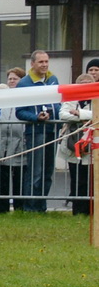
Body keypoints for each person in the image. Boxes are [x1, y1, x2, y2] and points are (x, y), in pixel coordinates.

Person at [14, 49, 59, 213]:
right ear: (32, 64)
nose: (45, 65)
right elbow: (20, 111)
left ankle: (42, 206)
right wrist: (35, 117)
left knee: (48, 171)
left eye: (46, 61)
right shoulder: (24, 83)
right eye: (41, 62)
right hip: (36, 132)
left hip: (52, 131)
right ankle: (30, 207)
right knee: (36, 172)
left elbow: (58, 103)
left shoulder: (53, 79)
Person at [60, 63, 95, 215]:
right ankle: (77, 211)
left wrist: (79, 114)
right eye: (82, 85)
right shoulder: (71, 98)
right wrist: (80, 116)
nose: (85, 87)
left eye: (88, 85)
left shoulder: (96, 99)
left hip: (92, 145)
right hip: (73, 144)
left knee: (90, 180)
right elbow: (63, 114)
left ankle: (90, 210)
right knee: (76, 178)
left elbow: (96, 115)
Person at [0, 67, 26, 212]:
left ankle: (19, 208)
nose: (12, 81)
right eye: (10, 79)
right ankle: (2, 209)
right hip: (2, 145)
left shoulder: (24, 98)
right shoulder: (2, 99)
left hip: (20, 144)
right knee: (2, 180)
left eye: (15, 78)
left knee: (18, 179)